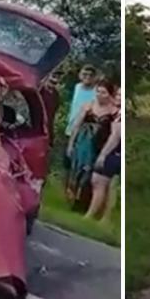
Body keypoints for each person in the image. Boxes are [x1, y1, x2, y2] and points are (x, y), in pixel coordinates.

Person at [65, 79, 119, 209]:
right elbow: (76, 126)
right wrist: (70, 144)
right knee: (77, 170)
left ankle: (85, 203)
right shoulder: (88, 106)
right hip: (83, 142)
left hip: (99, 144)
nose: (100, 95)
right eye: (98, 92)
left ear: (110, 94)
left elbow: (114, 132)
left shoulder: (114, 111)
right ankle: (73, 199)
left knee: (90, 174)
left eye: (103, 93)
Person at [87, 114, 121, 220]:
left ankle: (90, 215)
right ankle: (106, 218)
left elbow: (115, 137)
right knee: (112, 187)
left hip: (114, 153)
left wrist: (103, 155)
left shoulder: (120, 118)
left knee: (98, 182)